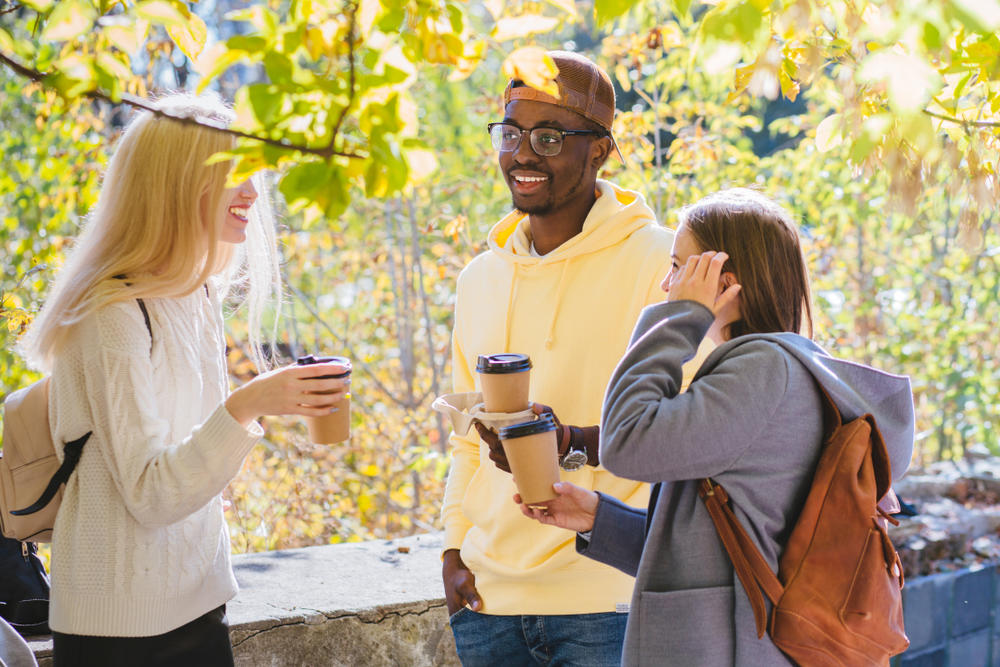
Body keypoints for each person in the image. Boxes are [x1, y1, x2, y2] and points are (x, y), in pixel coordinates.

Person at [516, 188, 915, 666]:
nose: (667, 285)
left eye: (679, 266)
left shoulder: (761, 372)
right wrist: (598, 519)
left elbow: (626, 440)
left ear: (724, 281)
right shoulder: (788, 371)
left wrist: (677, 319)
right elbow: (722, 551)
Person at [18, 95, 349, 667]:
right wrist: (249, 404)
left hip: (197, 602)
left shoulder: (195, 293)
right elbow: (150, 494)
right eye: (233, 176)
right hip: (120, 630)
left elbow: (189, 470)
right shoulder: (112, 313)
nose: (252, 193)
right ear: (172, 184)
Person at [440, 50, 709, 665]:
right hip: (487, 602)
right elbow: (465, 438)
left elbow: (697, 428)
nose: (523, 153)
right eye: (510, 133)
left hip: (608, 600)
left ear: (600, 151)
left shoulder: (660, 262)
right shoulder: (479, 278)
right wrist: (453, 548)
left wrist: (576, 441)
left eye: (549, 136)